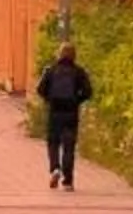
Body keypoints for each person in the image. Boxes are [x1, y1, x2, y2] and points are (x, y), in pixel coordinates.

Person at [35, 42, 92, 190]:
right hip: (71, 113)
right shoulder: (79, 72)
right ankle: (67, 181)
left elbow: (40, 89)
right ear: (74, 55)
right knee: (69, 146)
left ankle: (55, 168)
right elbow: (88, 92)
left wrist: (50, 100)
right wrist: (76, 101)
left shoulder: (51, 70)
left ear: (59, 54)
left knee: (53, 142)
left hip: (55, 112)